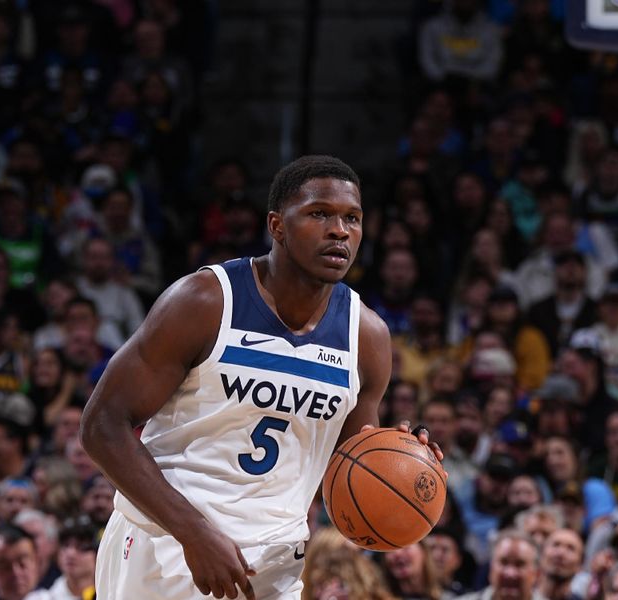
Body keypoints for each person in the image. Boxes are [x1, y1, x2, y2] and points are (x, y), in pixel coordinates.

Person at [80, 155, 443, 599]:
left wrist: (399, 458)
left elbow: (345, 468)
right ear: (277, 226)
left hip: (274, 561)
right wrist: (193, 532)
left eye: (353, 218)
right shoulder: (205, 301)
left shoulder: (366, 336)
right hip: (166, 545)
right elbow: (101, 425)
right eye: (319, 214)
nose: (339, 231)